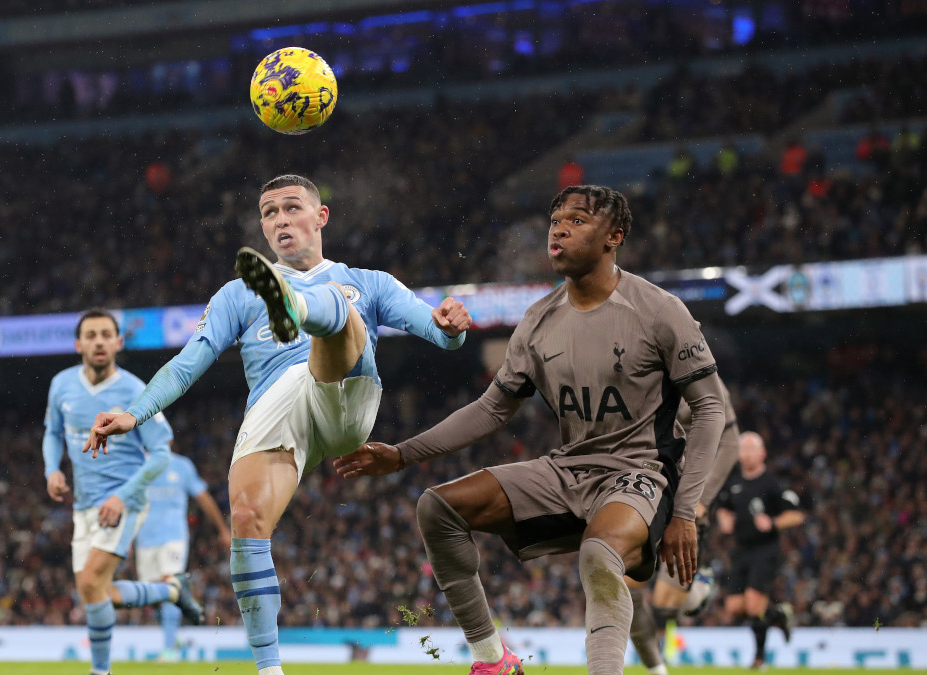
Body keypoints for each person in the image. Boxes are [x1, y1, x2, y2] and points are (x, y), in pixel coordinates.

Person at [84, 174, 471, 675]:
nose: (281, 219)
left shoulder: (369, 282)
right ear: (263, 230)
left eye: (292, 208)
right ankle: (269, 670)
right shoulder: (236, 295)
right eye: (269, 213)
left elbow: (439, 335)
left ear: (320, 216)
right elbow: (187, 364)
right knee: (247, 521)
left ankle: (303, 308)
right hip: (275, 409)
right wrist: (135, 412)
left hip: (343, 392)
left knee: (340, 312)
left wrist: (452, 327)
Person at [334, 184, 726, 675]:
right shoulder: (538, 321)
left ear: (615, 237)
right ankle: (493, 661)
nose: (559, 228)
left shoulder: (659, 310)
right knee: (438, 508)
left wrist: (685, 513)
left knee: (598, 557)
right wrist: (402, 454)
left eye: (578, 220)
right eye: (555, 219)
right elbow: (492, 409)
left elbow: (709, 409)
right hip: (571, 469)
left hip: (642, 472)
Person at [43, 308, 204, 675]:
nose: (98, 341)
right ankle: (171, 591)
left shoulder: (135, 390)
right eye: (91, 335)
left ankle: (100, 671)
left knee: (88, 582)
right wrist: (52, 469)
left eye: (105, 334)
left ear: (118, 342)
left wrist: (123, 496)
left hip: (124, 501)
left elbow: (162, 454)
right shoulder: (61, 385)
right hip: (84, 506)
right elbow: (52, 433)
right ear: (78, 344)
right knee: (97, 594)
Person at [627, 374, 741, 675]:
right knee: (628, 588)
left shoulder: (702, 373)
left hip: (688, 497)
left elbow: (730, 443)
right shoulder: (636, 369)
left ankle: (696, 590)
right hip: (650, 489)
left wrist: (701, 499)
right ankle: (656, 667)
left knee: (667, 602)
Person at [718, 431, 805, 670]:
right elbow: (724, 508)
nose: (745, 454)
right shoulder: (734, 482)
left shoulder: (772, 483)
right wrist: (725, 518)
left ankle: (759, 658)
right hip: (741, 549)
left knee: (755, 604)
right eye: (742, 449)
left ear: (762, 453)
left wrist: (774, 523)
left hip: (765, 549)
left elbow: (796, 514)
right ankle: (777, 614)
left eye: (750, 449)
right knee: (734, 608)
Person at [135, 451, 232, 661]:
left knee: (170, 587)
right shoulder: (137, 464)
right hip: (145, 539)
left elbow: (203, 498)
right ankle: (173, 637)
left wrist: (222, 528)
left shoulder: (181, 465)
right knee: (152, 598)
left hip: (173, 537)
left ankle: (169, 650)